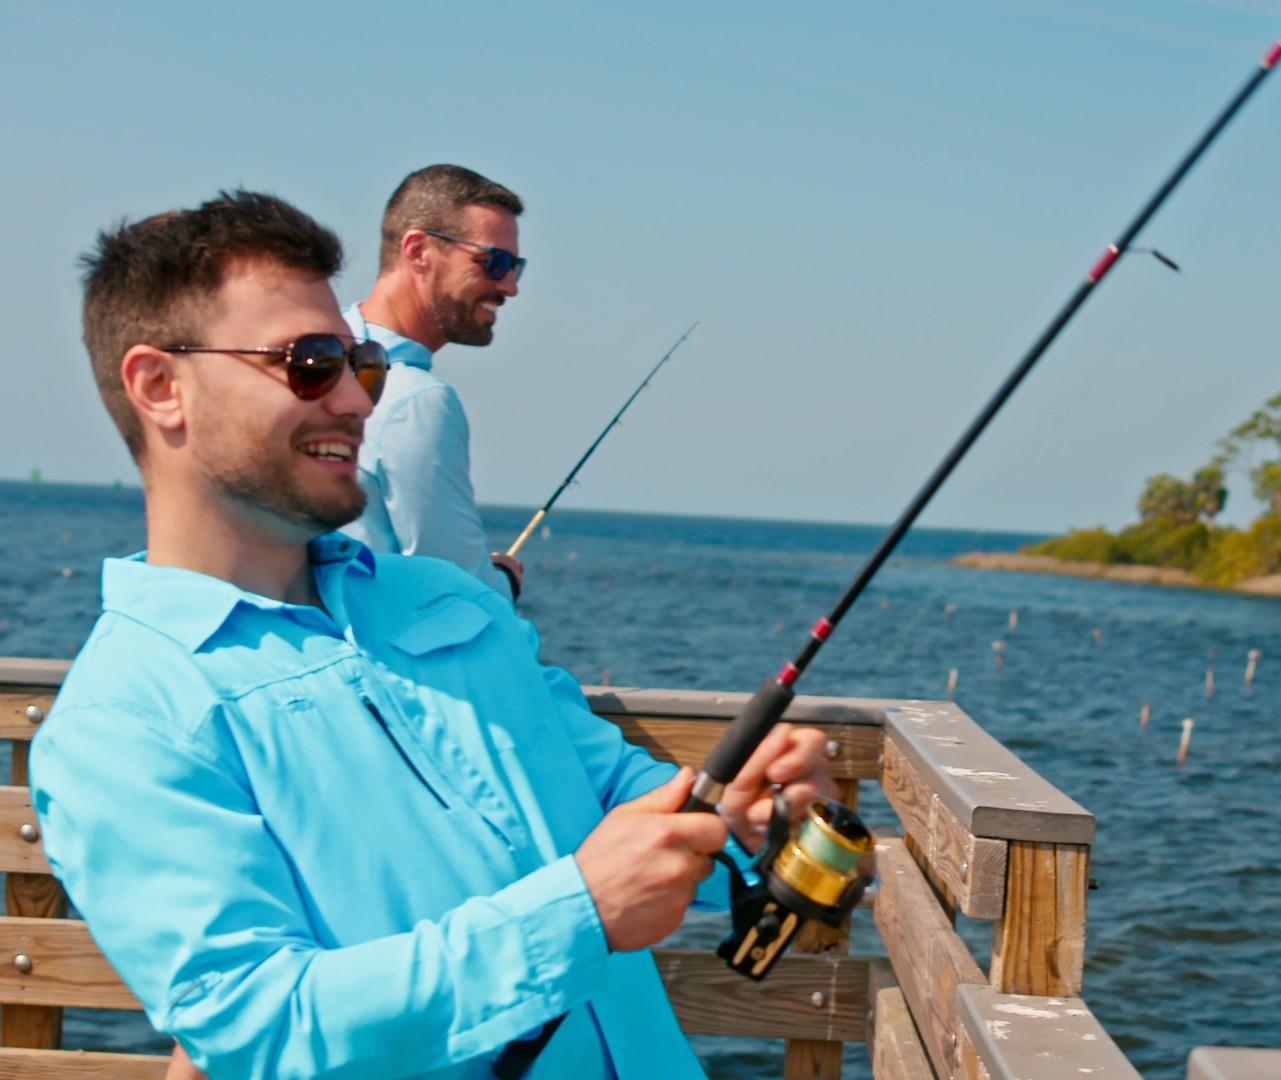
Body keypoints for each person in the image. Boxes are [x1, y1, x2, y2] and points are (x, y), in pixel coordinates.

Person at [31, 190, 836, 1080]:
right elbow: (262, 1024)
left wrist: (739, 806)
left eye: (360, 364)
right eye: (309, 363)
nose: (354, 400)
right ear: (160, 387)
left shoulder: (445, 599)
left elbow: (603, 779)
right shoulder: (125, 723)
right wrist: (578, 915)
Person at [341, 164, 527, 601]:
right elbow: (459, 596)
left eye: (516, 266)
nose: (510, 287)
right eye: (494, 262)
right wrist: (504, 581)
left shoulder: (311, 358)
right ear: (419, 250)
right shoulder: (417, 401)